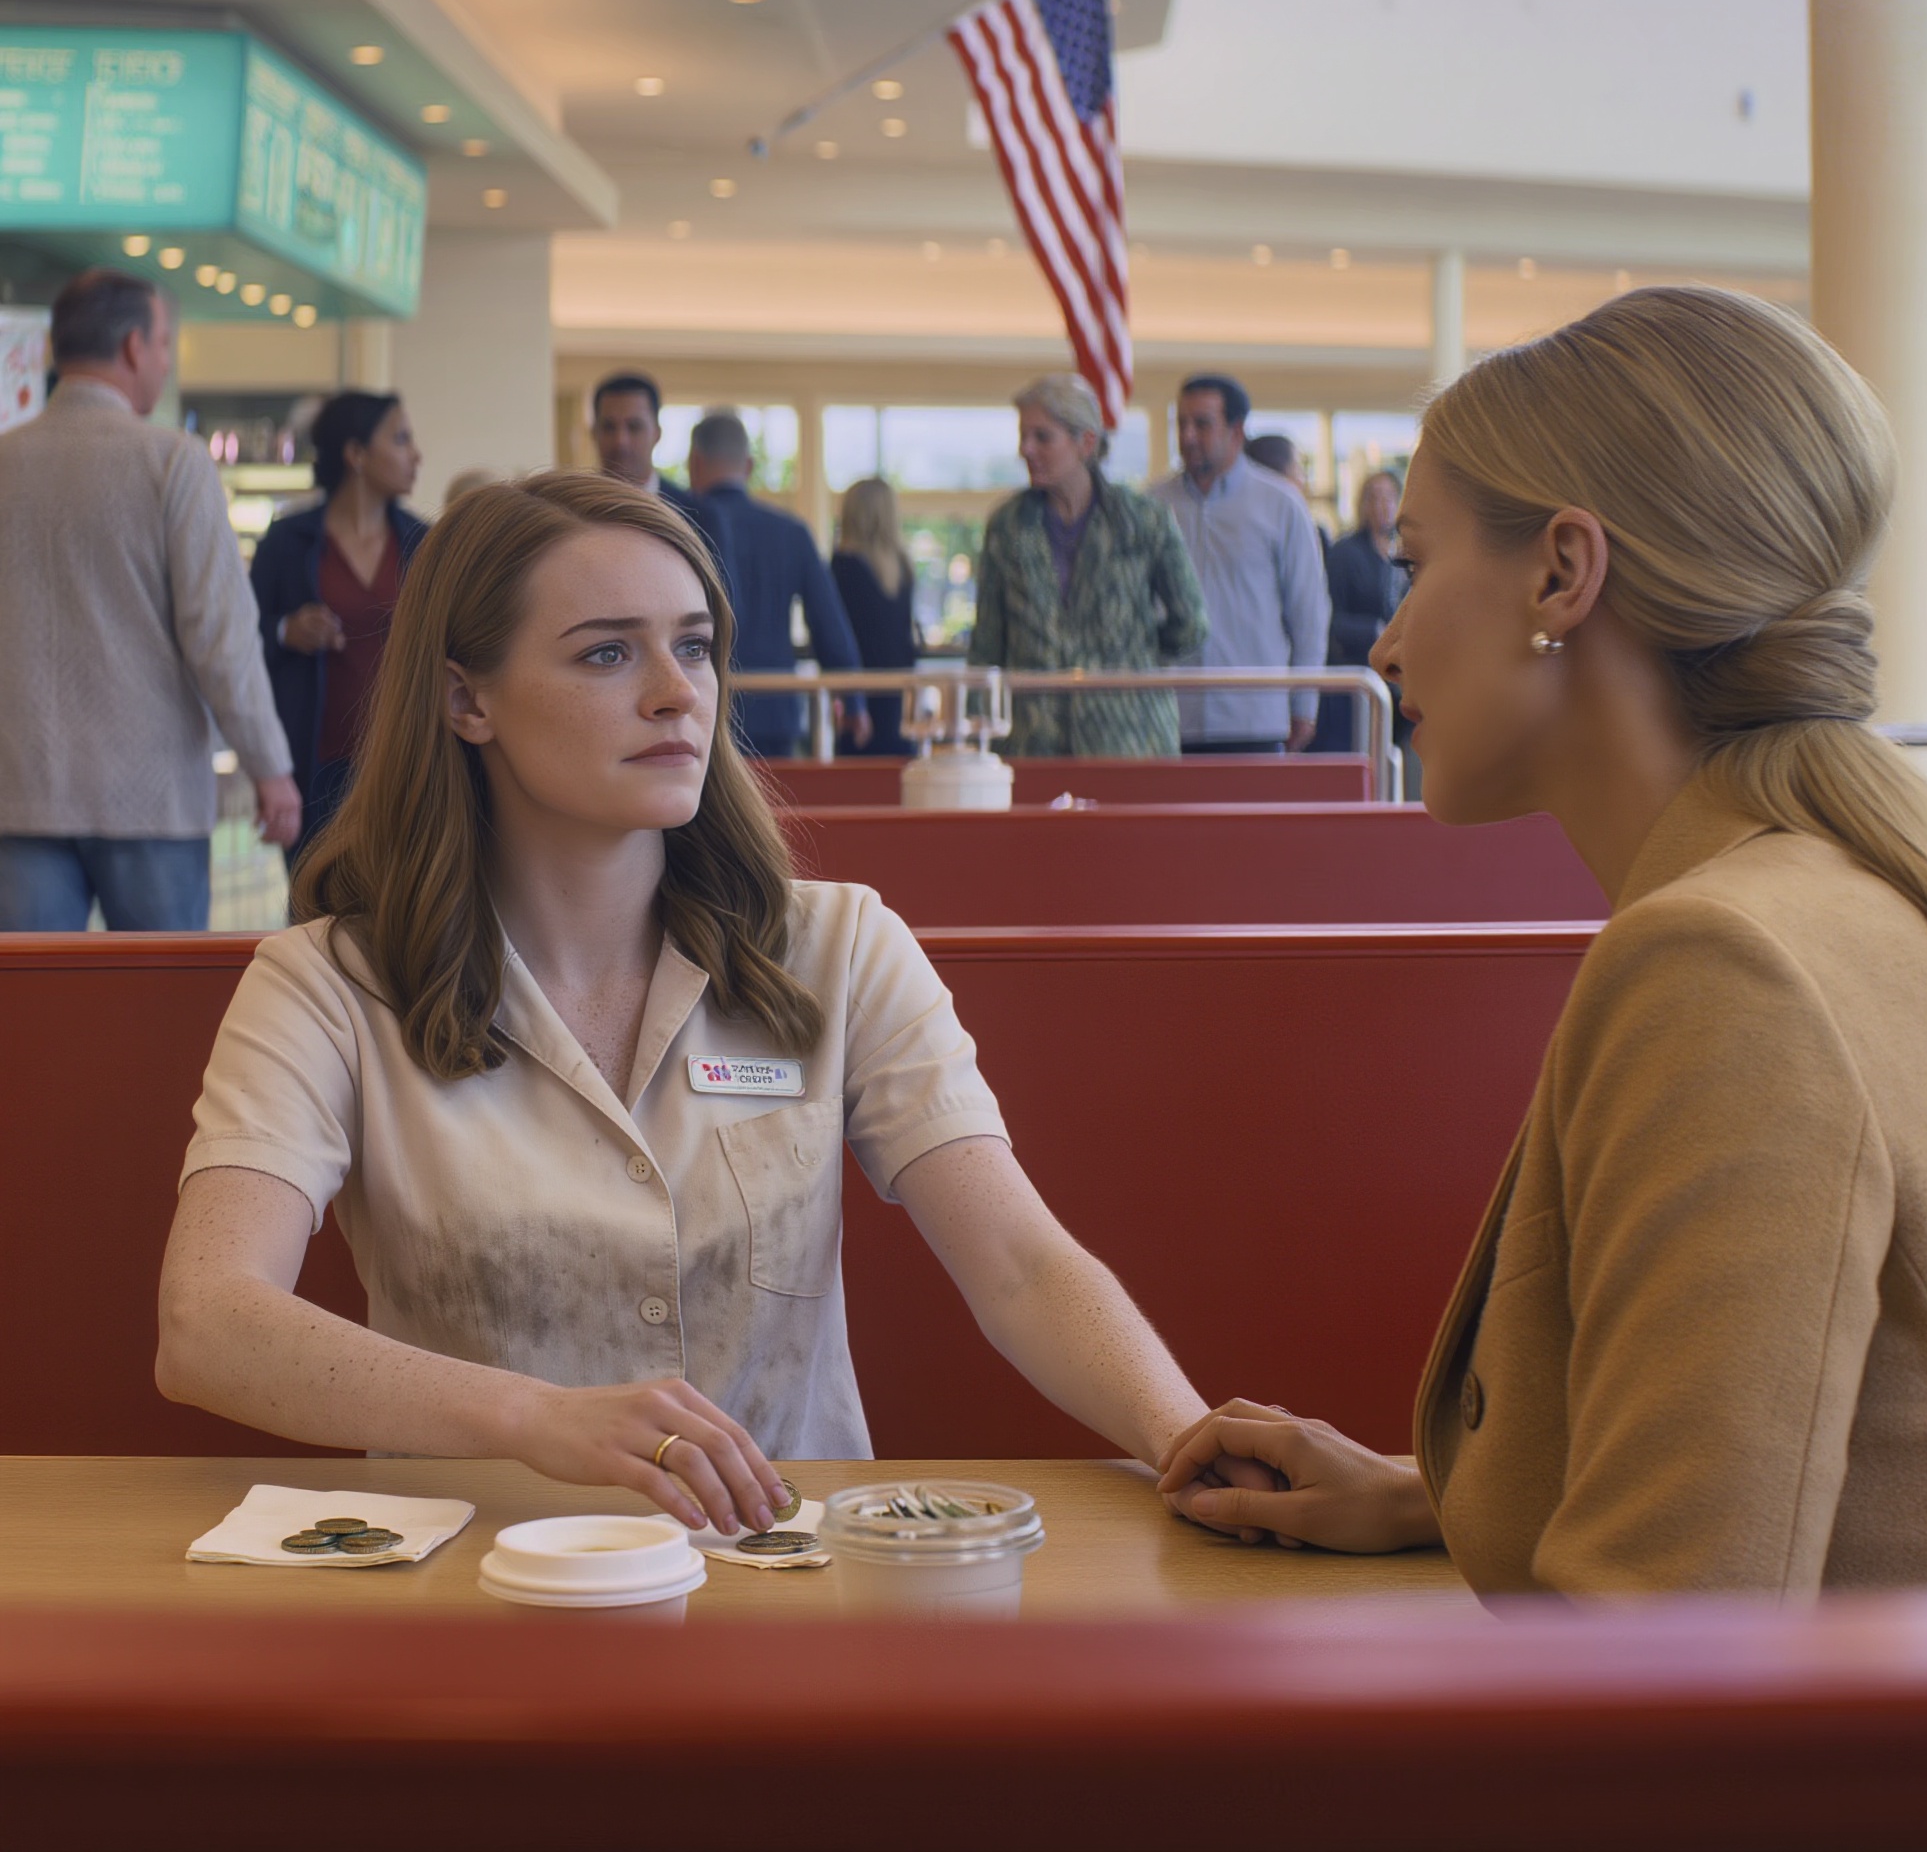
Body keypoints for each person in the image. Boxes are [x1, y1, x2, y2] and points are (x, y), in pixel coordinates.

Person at [1160, 286, 1927, 1594]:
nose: (1390, 645)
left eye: (1414, 567)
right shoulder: (1863, 887)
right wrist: (1441, 1495)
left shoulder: (1722, 966)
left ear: (1563, 574)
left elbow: (1669, 1672)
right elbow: (1824, 1456)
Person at [157, 474, 1249, 1531]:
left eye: (692, 645)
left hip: (787, 1578)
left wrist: (1187, 1437)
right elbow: (209, 1320)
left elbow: (1019, 1263)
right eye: (606, 652)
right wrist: (531, 1417)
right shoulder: (325, 983)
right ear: (464, 698)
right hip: (484, 1584)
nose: (676, 690)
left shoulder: (842, 946)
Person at [0, 268, 298, 929]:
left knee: (24, 1018)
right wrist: (269, 767)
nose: (163, 360)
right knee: (162, 1014)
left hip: (18, 790)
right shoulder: (173, 461)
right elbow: (219, 637)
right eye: (164, 344)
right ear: (136, 347)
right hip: (150, 794)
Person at [971, 373, 1208, 757]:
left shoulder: (1143, 520)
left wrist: (1132, 657)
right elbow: (987, 646)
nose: (1026, 449)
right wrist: (976, 736)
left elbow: (1192, 622)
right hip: (1031, 743)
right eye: (1023, 435)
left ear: (1086, 443)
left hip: (1129, 740)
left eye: (1042, 437)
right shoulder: (1008, 526)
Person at [250, 391, 428, 860]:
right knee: (315, 918)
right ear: (356, 454)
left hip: (405, 766)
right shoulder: (288, 543)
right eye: (401, 439)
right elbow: (242, 639)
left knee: (404, 914)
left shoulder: (423, 544)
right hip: (315, 765)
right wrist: (288, 630)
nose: (416, 455)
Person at [1154, 374, 1329, 754]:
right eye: (1181, 423)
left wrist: (1304, 707)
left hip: (1255, 719)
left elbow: (1308, 615)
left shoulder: (1281, 505)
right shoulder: (1152, 507)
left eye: (1201, 424)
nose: (1187, 436)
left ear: (1236, 430)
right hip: (1167, 719)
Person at [683, 412, 869, 756]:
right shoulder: (791, 532)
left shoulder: (683, 527)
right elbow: (828, 624)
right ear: (749, 466)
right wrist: (853, 701)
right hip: (775, 709)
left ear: (694, 463)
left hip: (703, 707)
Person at [1314, 468, 1409, 755]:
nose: (1383, 506)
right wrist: (1374, 629)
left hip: (1402, 677)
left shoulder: (1404, 552)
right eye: (1375, 498)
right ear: (1363, 505)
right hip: (1360, 674)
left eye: (1389, 498)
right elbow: (1330, 616)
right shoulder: (1346, 552)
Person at [831, 476, 919, 756]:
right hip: (898, 690)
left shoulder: (842, 566)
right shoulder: (903, 569)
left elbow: (838, 636)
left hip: (859, 694)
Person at [591, 371, 691, 522]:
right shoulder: (570, 510)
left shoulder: (697, 515)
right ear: (594, 433)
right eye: (609, 427)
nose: (620, 441)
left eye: (634, 427)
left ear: (657, 434)